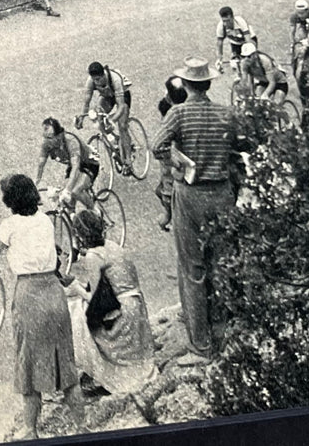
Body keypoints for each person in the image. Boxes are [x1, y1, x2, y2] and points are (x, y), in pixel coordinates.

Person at [150, 57, 249, 358]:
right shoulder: (225, 114)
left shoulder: (179, 113)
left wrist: (181, 162)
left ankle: (201, 341)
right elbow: (244, 146)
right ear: (208, 84)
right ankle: (224, 330)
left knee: (192, 267)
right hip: (221, 193)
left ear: (187, 85)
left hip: (190, 194)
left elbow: (157, 147)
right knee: (221, 262)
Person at [0, 173, 85, 440]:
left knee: (27, 363)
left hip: (29, 295)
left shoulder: (9, 225)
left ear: (10, 200)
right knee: (65, 361)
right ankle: (81, 426)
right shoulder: (45, 221)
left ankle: (31, 428)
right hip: (54, 291)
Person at [67, 211, 156, 396]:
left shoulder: (92, 256)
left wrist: (77, 289)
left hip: (122, 313)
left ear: (79, 236)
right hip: (136, 306)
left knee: (76, 314)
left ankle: (98, 371)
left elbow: (96, 299)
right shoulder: (111, 245)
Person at [35, 117, 97, 213]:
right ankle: (73, 218)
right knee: (67, 203)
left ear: (59, 136)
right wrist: (35, 184)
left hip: (89, 163)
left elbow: (76, 167)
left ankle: (96, 212)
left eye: (50, 138)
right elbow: (40, 165)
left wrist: (68, 190)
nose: (47, 142)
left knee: (75, 191)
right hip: (72, 165)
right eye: (45, 137)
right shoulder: (46, 144)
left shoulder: (70, 141)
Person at [76, 62, 132, 167]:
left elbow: (120, 106)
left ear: (103, 75)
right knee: (98, 116)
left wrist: (112, 120)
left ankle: (128, 160)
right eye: (94, 79)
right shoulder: (91, 81)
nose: (95, 82)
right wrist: (81, 118)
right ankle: (114, 141)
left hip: (123, 97)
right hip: (107, 96)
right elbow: (86, 103)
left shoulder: (115, 79)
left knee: (122, 125)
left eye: (98, 79)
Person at [154, 76, 188, 231]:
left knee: (167, 191)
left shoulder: (173, 115)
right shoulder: (170, 107)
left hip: (178, 168)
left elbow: (158, 147)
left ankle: (168, 215)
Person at [214, 5, 257, 75]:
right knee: (235, 63)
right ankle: (240, 78)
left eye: (228, 21)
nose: (226, 24)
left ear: (232, 17)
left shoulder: (240, 22)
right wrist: (220, 58)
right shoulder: (221, 26)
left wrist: (248, 54)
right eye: (224, 21)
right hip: (235, 43)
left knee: (250, 62)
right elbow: (220, 42)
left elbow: (248, 40)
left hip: (249, 40)